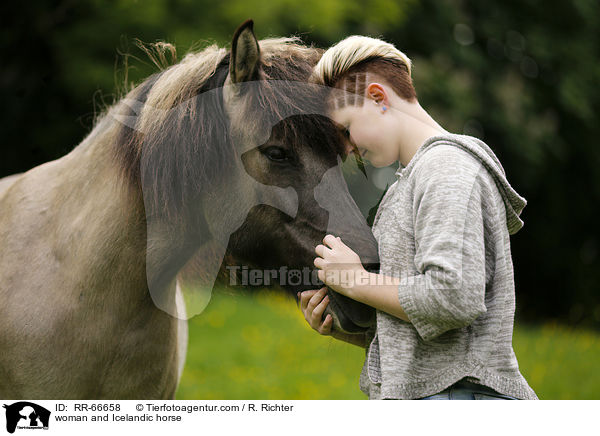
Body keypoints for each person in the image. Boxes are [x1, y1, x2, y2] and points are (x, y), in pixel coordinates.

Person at [298, 35, 538, 400]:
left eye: (346, 129)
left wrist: (356, 280)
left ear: (378, 98)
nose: (346, 148)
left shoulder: (447, 169)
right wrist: (342, 329)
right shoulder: (406, 186)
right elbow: (423, 333)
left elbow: (452, 298)